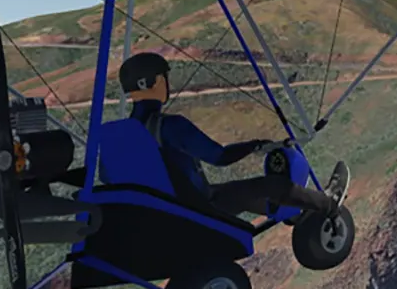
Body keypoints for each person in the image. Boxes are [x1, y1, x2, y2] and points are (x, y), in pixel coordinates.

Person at [115, 51, 336, 220]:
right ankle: (329, 203)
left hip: (163, 212)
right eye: (163, 78)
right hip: (198, 209)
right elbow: (219, 157)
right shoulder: (169, 126)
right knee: (275, 185)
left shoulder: (121, 135)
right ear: (154, 82)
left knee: (238, 193)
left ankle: (292, 211)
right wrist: (253, 145)